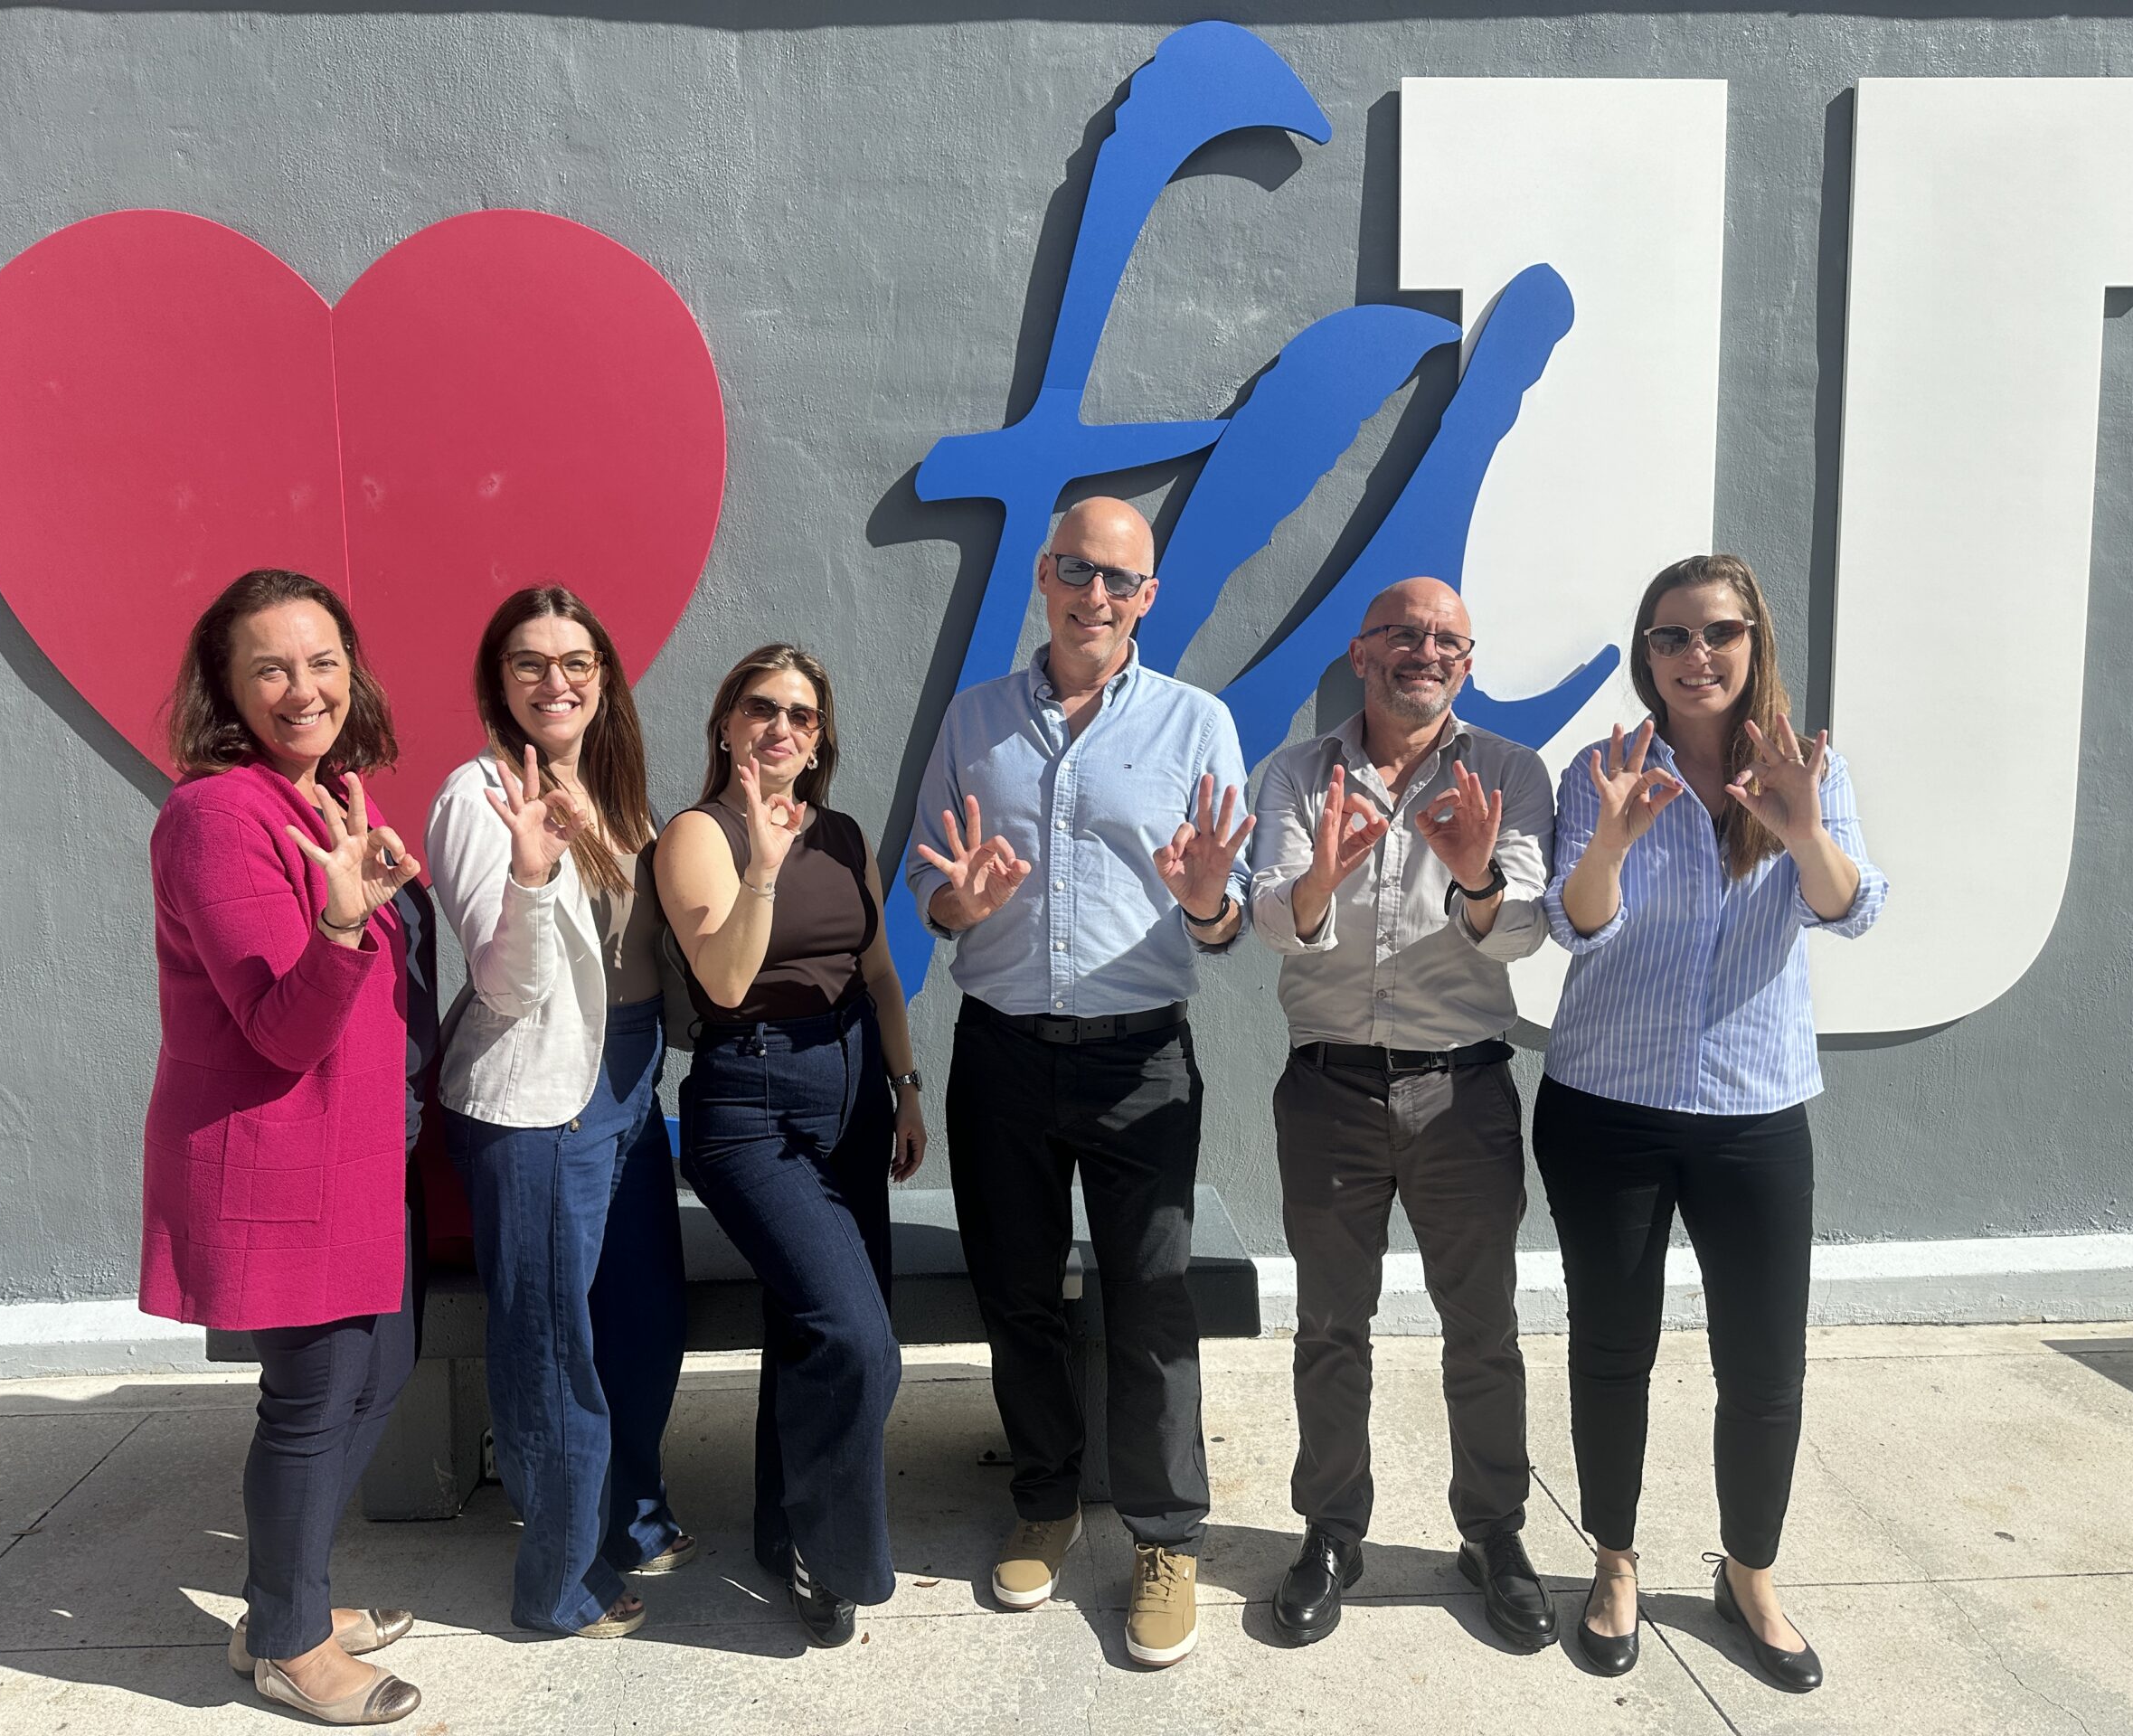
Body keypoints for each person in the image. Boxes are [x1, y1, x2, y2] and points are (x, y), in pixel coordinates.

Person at [907, 495, 1252, 1669]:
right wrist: (958, 905)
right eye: (1073, 570)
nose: (1092, 594)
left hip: (1138, 1061)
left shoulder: (1197, 724)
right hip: (1001, 1052)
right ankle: (1045, 1500)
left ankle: (1165, 1538)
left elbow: (1226, 916)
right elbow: (930, 887)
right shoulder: (975, 718)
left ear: (1146, 598)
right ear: (1044, 579)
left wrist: (1206, 902)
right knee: (1016, 1292)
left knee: (1152, 1302)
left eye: (1116, 578)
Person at [1539, 553, 1885, 1691]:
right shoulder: (1602, 769)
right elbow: (1575, 926)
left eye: (1718, 632)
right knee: (1611, 1350)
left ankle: (1750, 1575)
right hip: (1607, 1104)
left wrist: (1801, 828)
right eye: (1672, 636)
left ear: (1753, 641)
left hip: (1752, 1107)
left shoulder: (1803, 768)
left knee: (1764, 1362)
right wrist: (1610, 842)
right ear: (1647, 655)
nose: (1697, 655)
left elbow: (1849, 910)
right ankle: (1615, 1562)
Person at [1247, 577, 1558, 1649]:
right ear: (1361, 652)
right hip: (1328, 1088)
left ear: (1466, 662)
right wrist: (1318, 884)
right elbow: (1270, 918)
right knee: (1331, 1326)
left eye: (1444, 640)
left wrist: (1476, 881)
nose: (1423, 652)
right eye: (1401, 634)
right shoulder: (1297, 772)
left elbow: (1523, 930)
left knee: (1482, 1330)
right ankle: (1332, 1532)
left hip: (1461, 1091)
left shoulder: (1510, 774)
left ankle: (1494, 1535)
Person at [140, 568, 424, 1726]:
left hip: (352, 1151)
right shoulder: (218, 816)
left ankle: (280, 1598)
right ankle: (290, 1643)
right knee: (312, 1396)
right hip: (274, 1154)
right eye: (270, 668)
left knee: (382, 1370)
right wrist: (347, 919)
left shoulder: (326, 796)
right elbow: (278, 1025)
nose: (303, 688)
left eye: (322, 662)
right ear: (226, 688)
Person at [425, 587, 693, 1641]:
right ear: (498, 682)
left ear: (604, 677)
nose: (556, 681)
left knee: (643, 1322)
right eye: (529, 663)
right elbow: (504, 985)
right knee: (549, 1346)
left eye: (576, 661)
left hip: (627, 1089)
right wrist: (534, 878)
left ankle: (625, 1513)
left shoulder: (615, 790)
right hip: (539, 1103)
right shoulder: (479, 795)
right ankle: (558, 1575)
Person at [653, 644, 925, 1648]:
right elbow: (724, 982)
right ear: (727, 724)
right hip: (752, 1107)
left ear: (819, 742)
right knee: (858, 1340)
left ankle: (784, 1526)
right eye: (761, 707)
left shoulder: (843, 835)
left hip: (855, 1098)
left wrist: (906, 1089)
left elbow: (880, 974)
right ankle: (832, 1554)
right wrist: (763, 870)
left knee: (815, 1327)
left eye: (802, 715)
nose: (780, 726)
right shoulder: (699, 834)